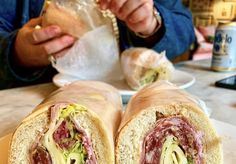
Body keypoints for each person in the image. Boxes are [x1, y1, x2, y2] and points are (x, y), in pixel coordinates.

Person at [0, 0, 195, 89]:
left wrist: (152, 22)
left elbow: (186, 29)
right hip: (36, 101)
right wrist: (15, 53)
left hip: (135, 98)